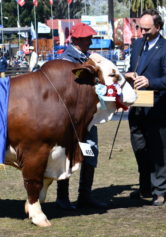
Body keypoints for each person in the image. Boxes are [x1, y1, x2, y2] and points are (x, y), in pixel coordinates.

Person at [56, 22, 108, 210]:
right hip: (70, 119)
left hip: (87, 118)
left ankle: (84, 196)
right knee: (68, 156)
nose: (90, 42)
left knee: (90, 152)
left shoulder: (87, 58)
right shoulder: (66, 61)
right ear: (77, 40)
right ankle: (62, 197)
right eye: (87, 39)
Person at [125, 9, 166, 206]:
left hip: (158, 109)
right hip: (137, 107)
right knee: (140, 149)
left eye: (147, 29)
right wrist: (129, 75)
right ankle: (145, 188)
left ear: (158, 27)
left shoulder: (165, 48)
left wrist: (151, 82)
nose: (142, 32)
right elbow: (134, 69)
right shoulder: (137, 45)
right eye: (140, 28)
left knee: (158, 151)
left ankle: (160, 191)